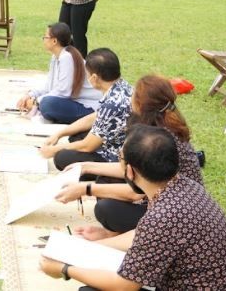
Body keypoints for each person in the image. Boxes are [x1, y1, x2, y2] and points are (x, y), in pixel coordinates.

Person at [39, 124, 226, 290]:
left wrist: (65, 268)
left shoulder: (164, 215)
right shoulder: (184, 186)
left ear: (130, 171)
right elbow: (146, 235)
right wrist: (99, 243)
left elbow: (125, 285)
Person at [54, 74, 203, 237]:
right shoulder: (161, 127)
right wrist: (84, 167)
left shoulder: (157, 139)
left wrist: (85, 189)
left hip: (173, 214)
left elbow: (138, 191)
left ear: (139, 104)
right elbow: (130, 170)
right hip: (175, 203)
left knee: (107, 210)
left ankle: (124, 235)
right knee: (105, 184)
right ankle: (120, 233)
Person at [39, 48, 132, 174]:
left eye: (87, 75)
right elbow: (94, 117)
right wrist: (60, 134)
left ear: (94, 77)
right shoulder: (123, 86)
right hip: (116, 141)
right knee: (75, 135)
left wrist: (54, 150)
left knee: (61, 157)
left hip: (114, 158)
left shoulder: (112, 105)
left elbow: (87, 146)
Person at [16, 23, 101, 124]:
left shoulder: (67, 57)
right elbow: (49, 87)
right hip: (74, 102)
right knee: (46, 103)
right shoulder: (56, 57)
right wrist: (30, 95)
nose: (43, 39)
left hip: (88, 107)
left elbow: (63, 92)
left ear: (54, 41)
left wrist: (36, 102)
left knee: (47, 104)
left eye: (45, 37)